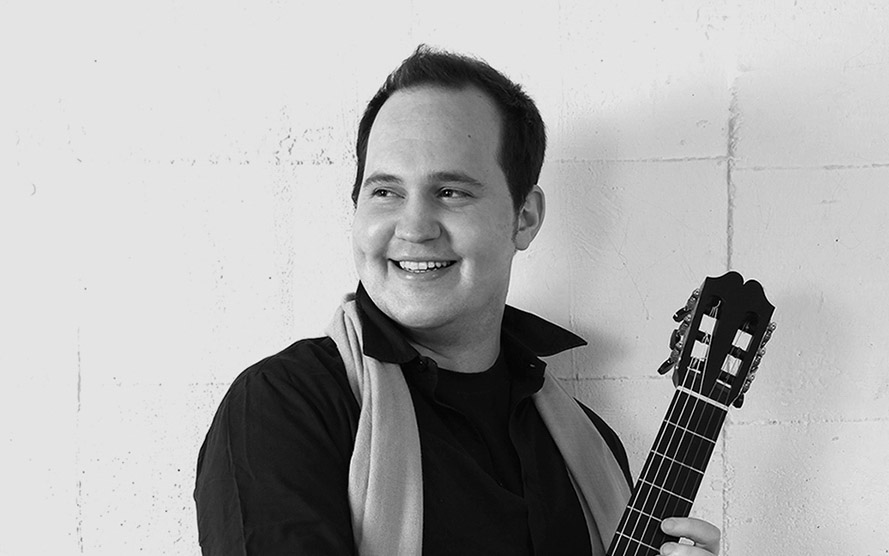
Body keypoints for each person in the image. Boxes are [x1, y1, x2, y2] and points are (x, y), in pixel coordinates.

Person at [194, 45, 721, 556]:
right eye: (385, 191)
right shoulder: (285, 409)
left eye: (451, 192)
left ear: (524, 218)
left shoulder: (587, 446)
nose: (414, 228)